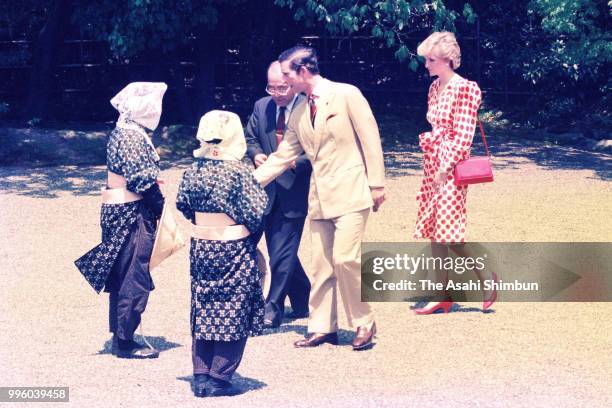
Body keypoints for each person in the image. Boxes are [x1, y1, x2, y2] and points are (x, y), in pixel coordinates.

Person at [252, 46, 386, 351]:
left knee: (345, 259)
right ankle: (323, 326)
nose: (281, 81)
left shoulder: (346, 94)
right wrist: (247, 185)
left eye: (285, 74)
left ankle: (364, 322)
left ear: (302, 71)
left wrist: (377, 184)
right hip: (320, 197)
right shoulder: (299, 111)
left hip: (352, 192)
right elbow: (282, 156)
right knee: (322, 264)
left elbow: (370, 137)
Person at [176, 110, 268, 397]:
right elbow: (258, 211)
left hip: (202, 245)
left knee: (204, 307)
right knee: (233, 309)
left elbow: (183, 205)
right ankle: (219, 377)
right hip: (233, 246)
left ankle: (201, 375)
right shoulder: (239, 172)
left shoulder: (193, 170)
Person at [75, 82, 167, 358]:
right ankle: (125, 339)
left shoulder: (125, 132)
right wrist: (160, 206)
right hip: (131, 212)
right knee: (133, 273)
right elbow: (140, 180)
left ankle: (121, 333)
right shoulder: (131, 137)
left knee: (123, 272)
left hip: (120, 208)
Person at [412, 31, 496, 314]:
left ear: (447, 60)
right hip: (433, 161)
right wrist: (434, 166)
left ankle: (486, 280)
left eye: (431, 59)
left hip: (452, 164)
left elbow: (463, 135)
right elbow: (437, 126)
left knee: (449, 231)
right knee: (436, 231)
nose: (427, 65)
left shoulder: (466, 89)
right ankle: (442, 294)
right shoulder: (434, 88)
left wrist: (445, 167)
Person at [245, 61, 312, 328]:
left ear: (292, 82)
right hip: (265, 189)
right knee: (281, 250)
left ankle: (272, 308)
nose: (277, 93)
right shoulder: (262, 106)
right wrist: (255, 154)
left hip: (295, 188)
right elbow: (250, 137)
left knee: (280, 252)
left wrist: (299, 162)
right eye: (271, 87)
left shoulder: (308, 106)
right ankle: (302, 294)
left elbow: (322, 145)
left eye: (282, 87)